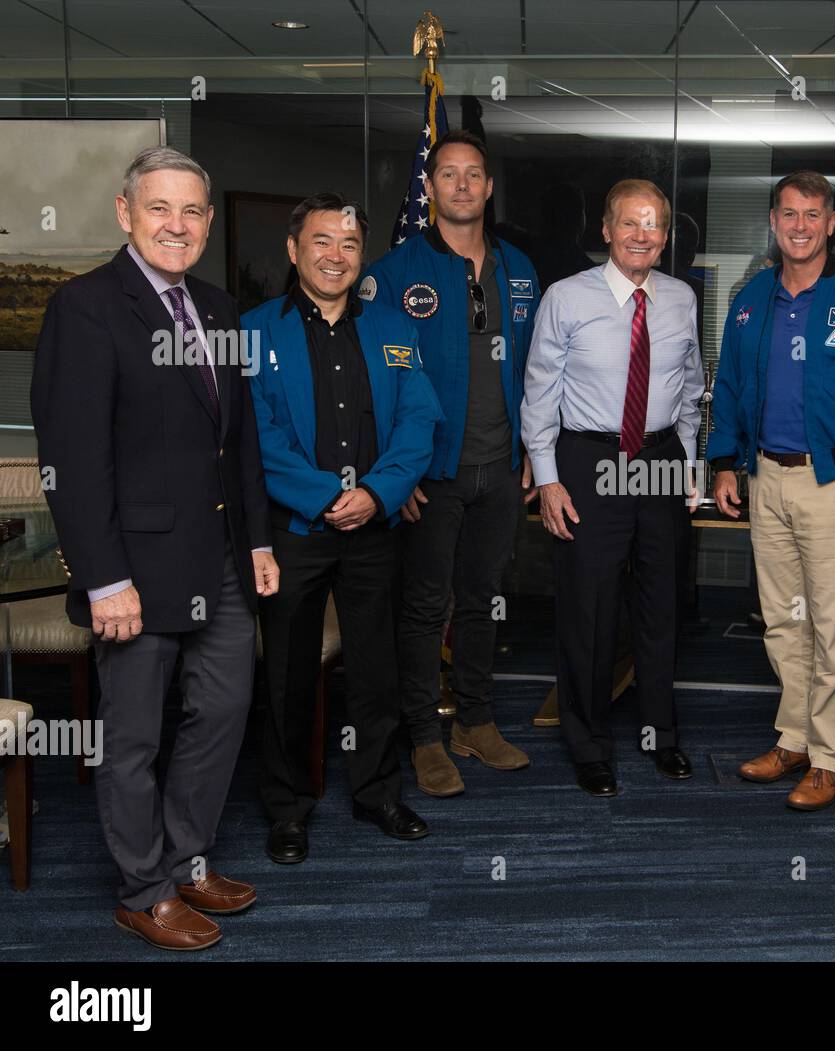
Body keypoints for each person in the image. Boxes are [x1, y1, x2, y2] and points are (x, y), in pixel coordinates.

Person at [31, 146, 278, 951]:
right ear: (125, 213)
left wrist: (260, 543)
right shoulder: (87, 307)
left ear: (207, 222)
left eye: (192, 211)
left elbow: (236, 445)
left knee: (223, 713)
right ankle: (143, 888)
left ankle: (187, 858)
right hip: (134, 571)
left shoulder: (219, 310)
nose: (178, 224)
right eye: (160, 208)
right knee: (134, 735)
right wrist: (103, 578)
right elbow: (74, 457)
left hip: (223, 560)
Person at [243, 193, 442, 864]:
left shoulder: (395, 329)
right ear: (295, 250)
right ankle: (287, 807)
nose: (336, 255)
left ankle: (378, 791)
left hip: (374, 527)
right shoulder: (252, 333)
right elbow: (254, 435)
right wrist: (330, 494)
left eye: (349, 243)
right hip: (295, 528)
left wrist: (379, 494)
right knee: (289, 674)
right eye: (321, 241)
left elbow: (419, 423)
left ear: (363, 255)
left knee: (377, 668)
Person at [709, 170, 835, 811]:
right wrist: (723, 463)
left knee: (830, 627)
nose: (800, 225)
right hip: (766, 477)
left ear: (831, 224)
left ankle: (830, 757)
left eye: (813, 214)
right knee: (781, 624)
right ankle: (793, 740)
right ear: (774, 222)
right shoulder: (750, 300)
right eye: (789, 213)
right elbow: (733, 389)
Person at [361, 129, 541, 797]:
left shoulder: (518, 269)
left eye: (474, 175)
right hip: (428, 474)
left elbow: (539, 370)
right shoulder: (393, 272)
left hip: (499, 468)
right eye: (449, 174)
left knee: (482, 602)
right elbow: (376, 382)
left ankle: (475, 720)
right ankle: (424, 736)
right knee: (423, 606)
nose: (462, 185)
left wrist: (534, 451)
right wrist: (391, 473)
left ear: (489, 188)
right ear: (429, 188)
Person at [522, 178, 704, 797]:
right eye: (630, 223)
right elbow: (539, 393)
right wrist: (547, 479)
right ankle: (589, 744)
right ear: (605, 229)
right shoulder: (565, 298)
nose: (641, 235)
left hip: (658, 463)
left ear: (665, 235)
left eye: (653, 225)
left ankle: (661, 735)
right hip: (589, 461)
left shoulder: (681, 298)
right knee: (589, 611)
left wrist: (690, 467)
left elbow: (690, 391)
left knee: (661, 608)